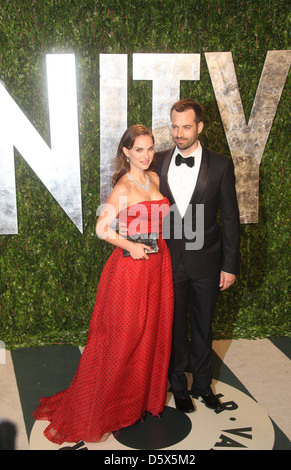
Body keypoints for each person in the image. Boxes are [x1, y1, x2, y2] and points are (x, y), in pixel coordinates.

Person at [33, 125, 174, 444]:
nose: (146, 155)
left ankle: (138, 401)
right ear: (126, 152)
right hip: (130, 271)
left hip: (158, 266)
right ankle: (105, 406)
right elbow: (101, 228)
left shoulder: (153, 178)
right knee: (123, 339)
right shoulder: (123, 187)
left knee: (150, 334)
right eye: (139, 149)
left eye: (150, 149)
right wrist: (131, 246)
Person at [155, 99, 240, 413]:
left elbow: (230, 217)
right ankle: (177, 385)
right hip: (169, 260)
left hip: (207, 261)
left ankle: (203, 386)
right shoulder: (159, 161)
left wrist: (229, 265)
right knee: (174, 326)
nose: (179, 133)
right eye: (175, 126)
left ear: (200, 127)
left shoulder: (221, 164)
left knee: (204, 326)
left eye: (186, 126)